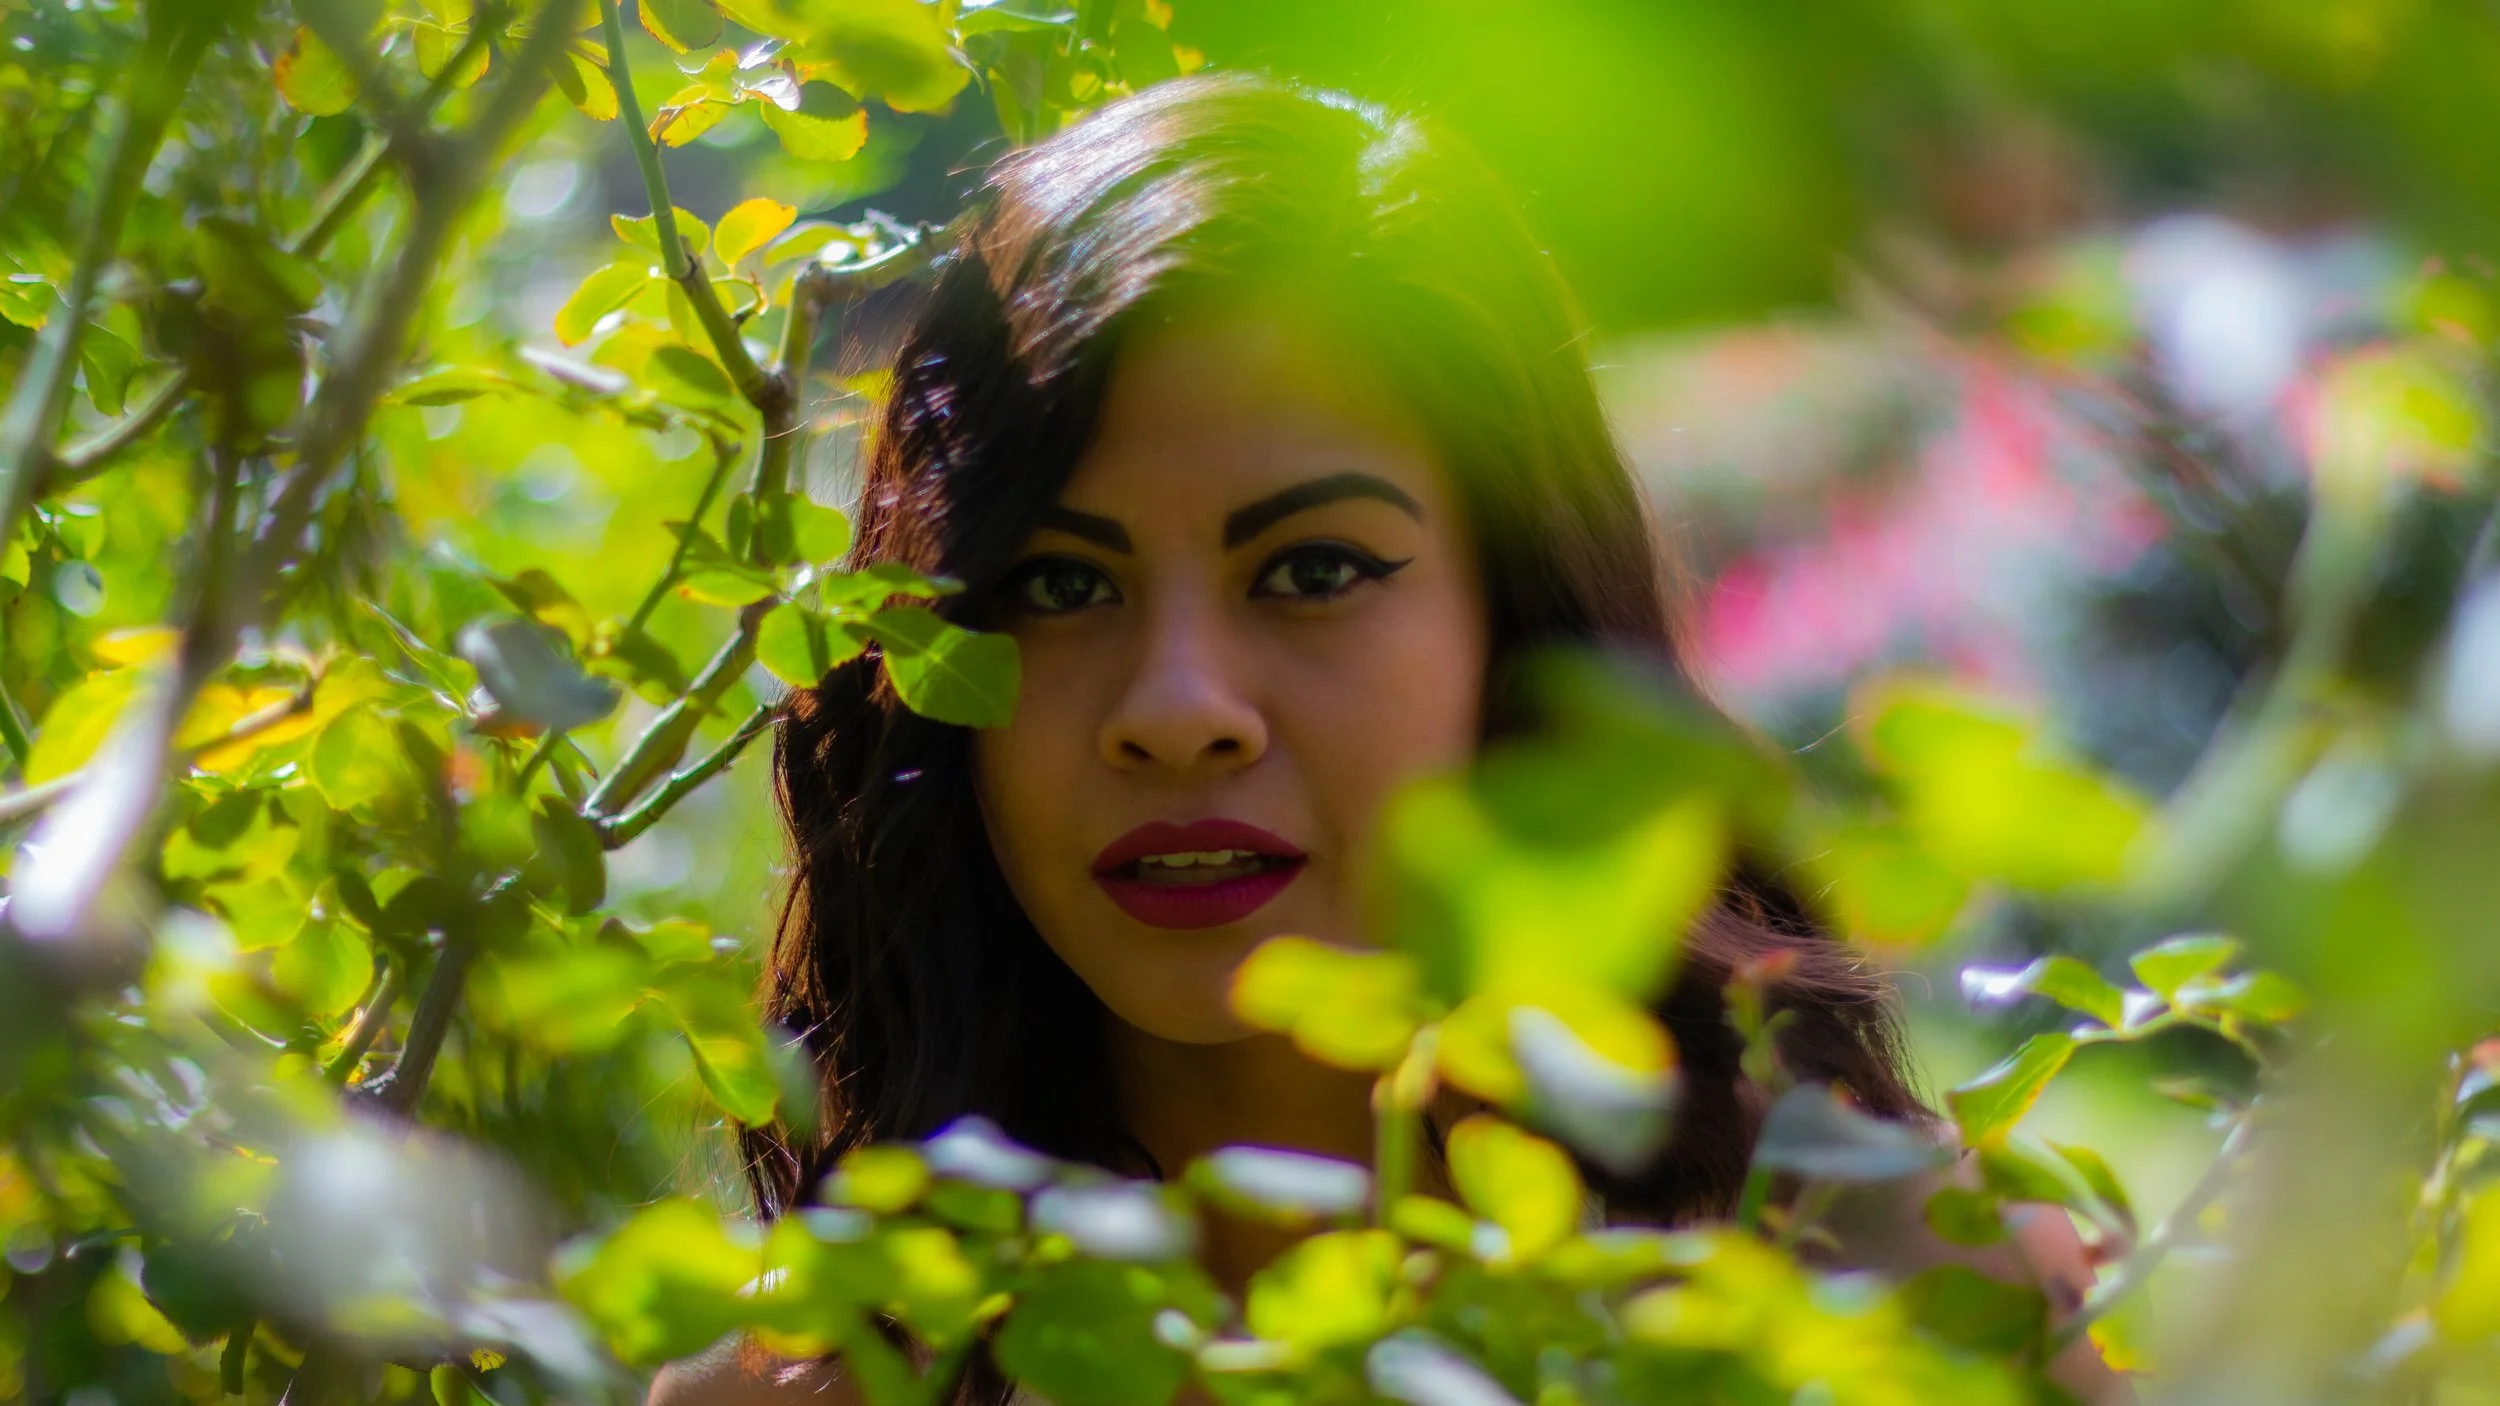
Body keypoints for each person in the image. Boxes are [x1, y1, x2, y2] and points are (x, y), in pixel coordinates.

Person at [654, 72, 2115, 1406]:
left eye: (1311, 570)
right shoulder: (810, 1395)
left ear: (1517, 614)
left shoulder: (1900, 1290)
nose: (1176, 709)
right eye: (1059, 584)